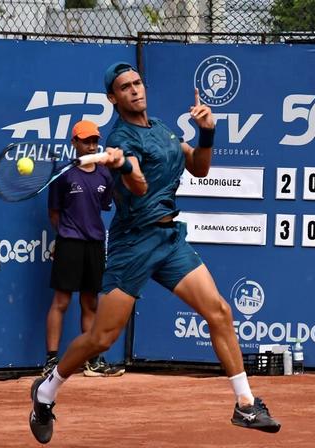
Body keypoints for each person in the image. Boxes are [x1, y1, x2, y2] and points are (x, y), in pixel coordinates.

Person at [28, 62, 281, 444]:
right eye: (124, 87)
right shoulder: (121, 139)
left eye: (137, 82)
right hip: (133, 244)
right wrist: (125, 163)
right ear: (113, 98)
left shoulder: (162, 129)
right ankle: (46, 391)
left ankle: (245, 404)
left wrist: (208, 132)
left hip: (169, 239)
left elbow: (199, 167)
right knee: (101, 339)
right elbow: (140, 187)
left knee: (220, 311)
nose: (134, 90)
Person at [41, 119, 125, 379]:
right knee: (62, 302)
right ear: (74, 142)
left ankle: (92, 362)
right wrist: (64, 235)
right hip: (70, 243)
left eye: (94, 141)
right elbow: (54, 213)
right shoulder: (63, 173)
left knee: (90, 303)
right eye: (85, 140)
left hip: (96, 244)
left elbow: (101, 206)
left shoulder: (104, 174)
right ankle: (51, 361)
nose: (91, 145)